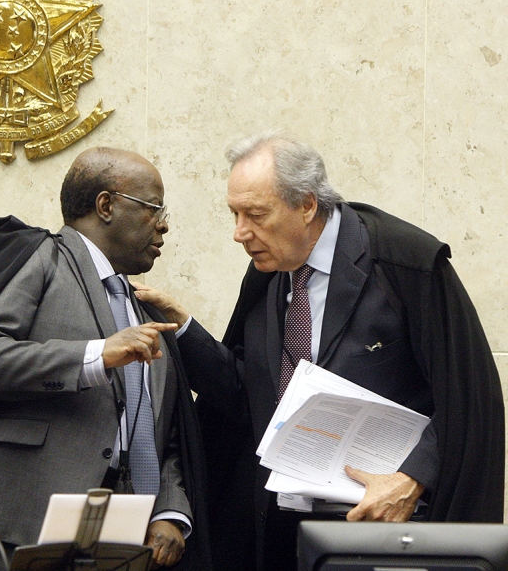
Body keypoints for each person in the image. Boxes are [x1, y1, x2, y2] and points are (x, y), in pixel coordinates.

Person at [135, 130, 504, 571]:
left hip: (376, 527)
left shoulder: (405, 263)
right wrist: (186, 330)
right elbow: (250, 398)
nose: (239, 233)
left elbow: (469, 400)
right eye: (234, 214)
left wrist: (413, 478)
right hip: (279, 530)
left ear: (307, 205)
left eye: (255, 214)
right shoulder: (267, 276)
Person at [0, 147, 212, 571]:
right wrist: (96, 355)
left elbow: (161, 431)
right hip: (13, 528)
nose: (164, 225)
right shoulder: (41, 257)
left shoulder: (145, 308)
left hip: (118, 541)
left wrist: (169, 509)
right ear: (106, 205)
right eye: (153, 209)